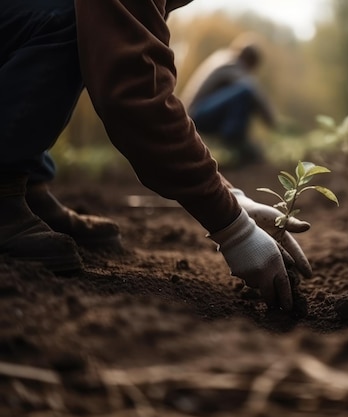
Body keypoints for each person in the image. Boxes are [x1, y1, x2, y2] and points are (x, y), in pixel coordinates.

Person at [0, 0, 310, 311]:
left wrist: (234, 197)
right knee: (74, 18)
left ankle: (28, 187)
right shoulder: (232, 67)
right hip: (200, 113)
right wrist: (234, 228)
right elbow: (134, 90)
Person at [181, 33, 276, 166]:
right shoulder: (231, 64)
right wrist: (273, 122)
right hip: (196, 114)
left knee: (242, 96)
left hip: (196, 113)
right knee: (245, 92)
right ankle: (236, 143)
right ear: (250, 61)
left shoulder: (223, 57)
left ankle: (235, 142)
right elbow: (253, 91)